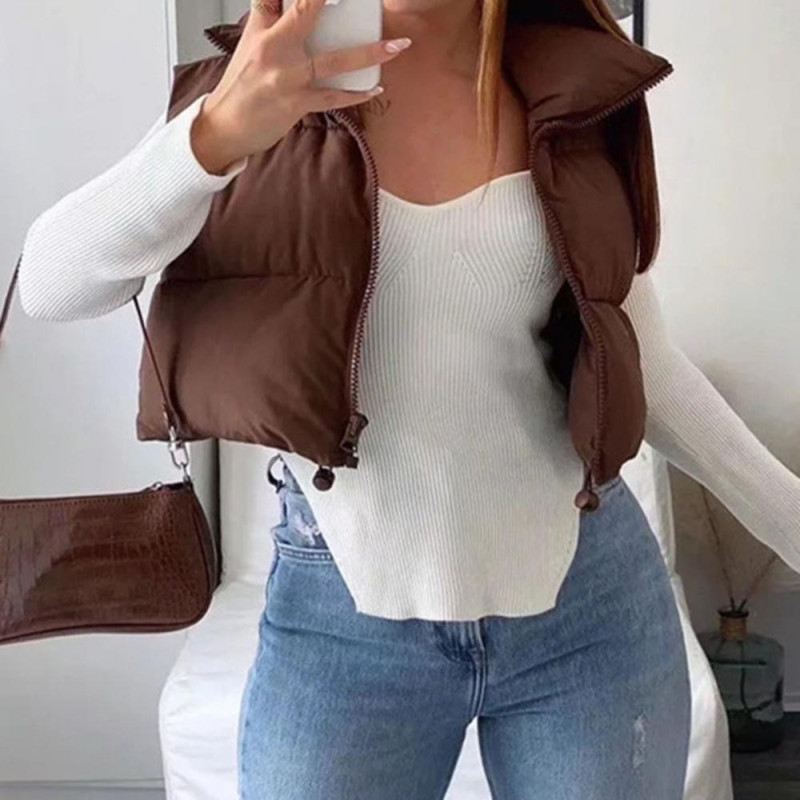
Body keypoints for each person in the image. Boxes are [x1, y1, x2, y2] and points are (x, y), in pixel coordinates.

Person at [14, 1, 800, 798]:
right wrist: (216, 134)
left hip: (590, 605)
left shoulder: (571, 87)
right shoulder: (260, 87)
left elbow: (642, 359)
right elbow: (50, 284)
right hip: (341, 623)